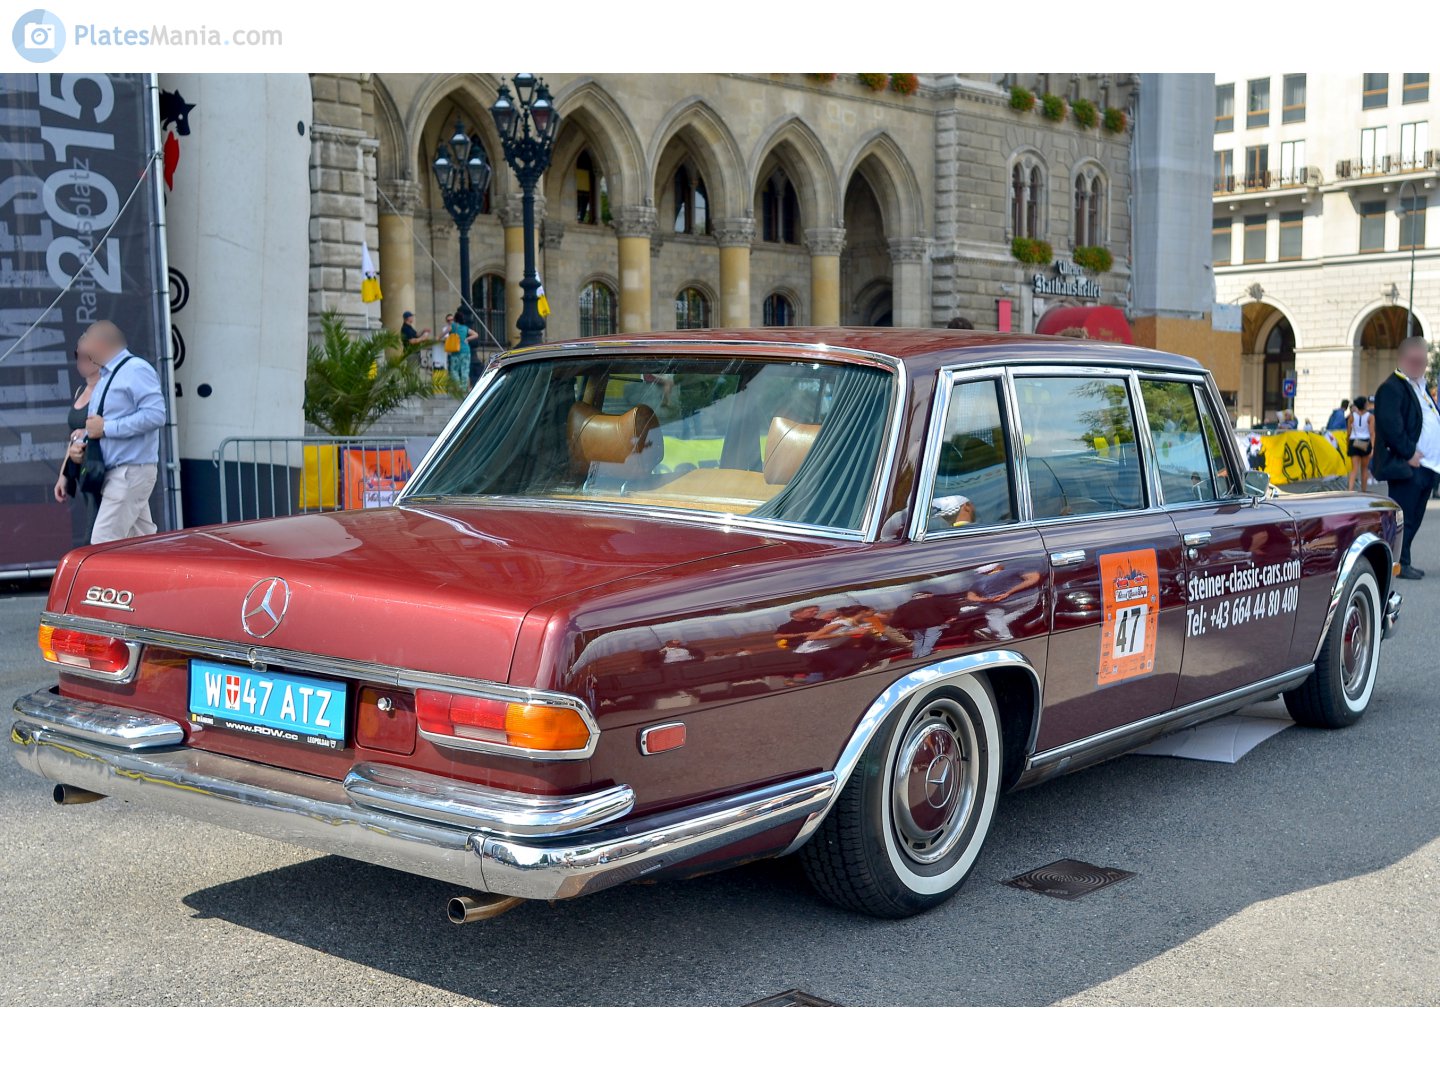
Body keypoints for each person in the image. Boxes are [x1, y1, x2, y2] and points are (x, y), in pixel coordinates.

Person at [81, 321, 166, 545]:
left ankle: (98, 582)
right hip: (122, 473)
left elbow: (156, 415)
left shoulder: (135, 369)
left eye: (86, 340)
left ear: (100, 343)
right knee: (142, 544)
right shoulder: (107, 376)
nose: (83, 349)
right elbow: (96, 425)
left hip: (130, 471)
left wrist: (107, 428)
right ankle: (161, 580)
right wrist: (83, 441)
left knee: (103, 543)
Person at [1371, 336, 1439, 579]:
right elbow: (1390, 425)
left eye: (1422, 360)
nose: (1419, 365)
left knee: (1414, 518)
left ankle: (1404, 560)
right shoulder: (1392, 387)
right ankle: (1396, 563)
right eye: (1414, 360)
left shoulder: (1420, 387)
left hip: (1427, 467)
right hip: (1408, 466)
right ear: (1402, 359)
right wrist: (1409, 453)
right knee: (1402, 518)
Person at [52, 345, 104, 543]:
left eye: (85, 357)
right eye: (77, 356)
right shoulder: (80, 390)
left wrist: (87, 431)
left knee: (94, 532)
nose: (80, 362)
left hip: (96, 467)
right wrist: (63, 476)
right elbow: (72, 437)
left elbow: (103, 427)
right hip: (81, 468)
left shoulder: (105, 391)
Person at [1346, 396, 1372, 492]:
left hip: (1354, 441)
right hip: (1365, 442)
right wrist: (1372, 447)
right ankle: (1363, 490)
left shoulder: (1352, 416)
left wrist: (1347, 443)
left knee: (1354, 469)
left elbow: (1348, 432)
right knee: (1364, 468)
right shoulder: (1370, 416)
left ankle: (1350, 490)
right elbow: (1372, 432)